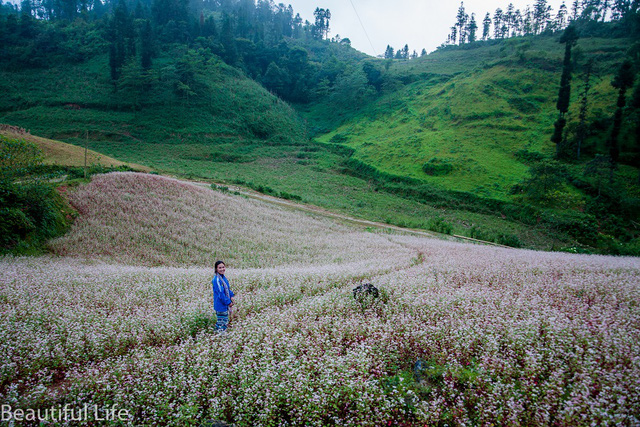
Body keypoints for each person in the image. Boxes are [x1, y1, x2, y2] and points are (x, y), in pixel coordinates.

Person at [212, 260, 235, 332]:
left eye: (223, 267)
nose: (222, 269)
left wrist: (231, 296)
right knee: (222, 324)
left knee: (223, 322)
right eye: (220, 268)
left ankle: (217, 336)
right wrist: (228, 302)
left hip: (224, 304)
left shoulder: (223, 278)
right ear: (216, 269)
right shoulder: (216, 280)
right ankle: (219, 337)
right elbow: (220, 293)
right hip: (221, 305)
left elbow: (227, 289)